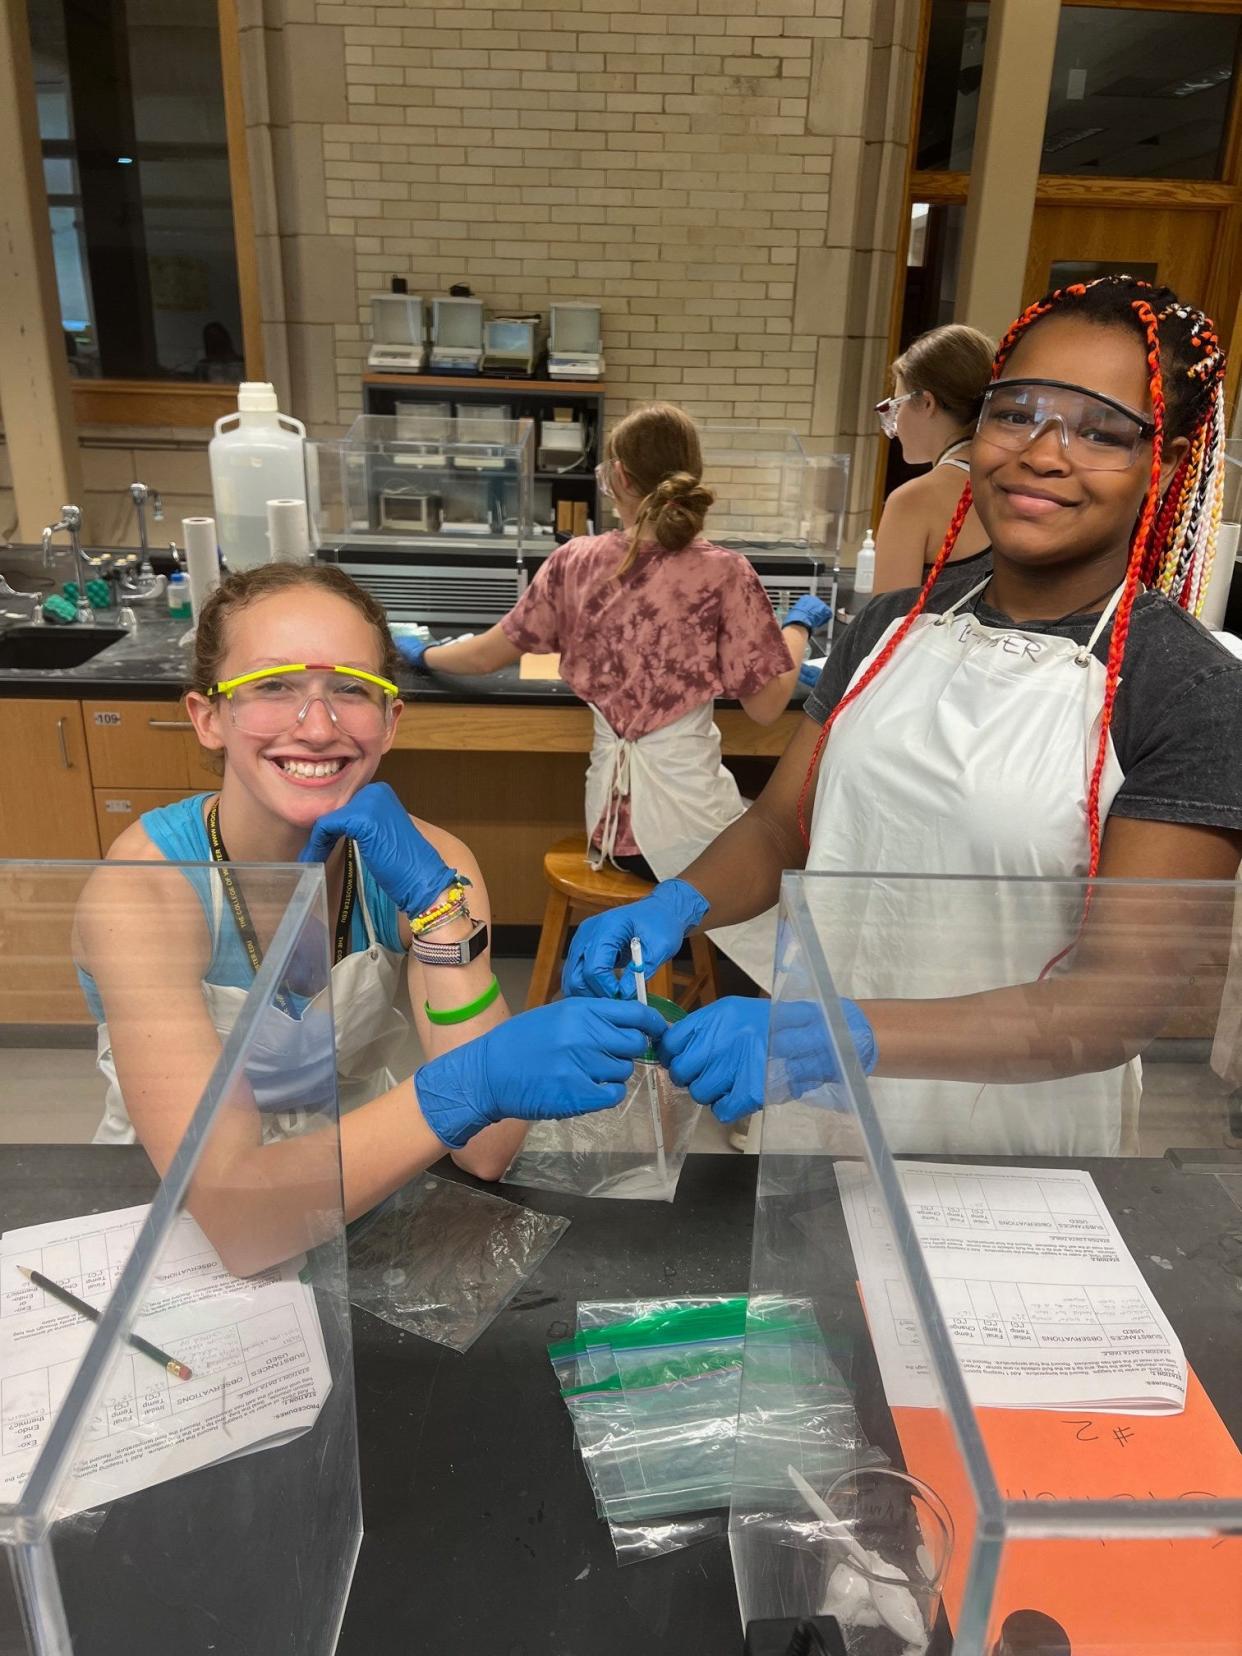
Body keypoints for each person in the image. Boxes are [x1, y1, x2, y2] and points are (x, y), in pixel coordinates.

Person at [562, 276, 1242, 1155]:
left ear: (1170, 461)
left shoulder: (1186, 690)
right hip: (818, 1112)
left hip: (1011, 1144)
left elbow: (1114, 1005)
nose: (1042, 451)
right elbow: (779, 828)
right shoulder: (890, 629)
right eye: (1017, 411)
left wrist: (846, 1036)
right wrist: (675, 905)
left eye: (1100, 429)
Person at [75, 563, 662, 1273]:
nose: (317, 726)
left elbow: (488, 1148)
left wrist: (442, 921)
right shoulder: (147, 890)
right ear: (209, 718)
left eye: (352, 690)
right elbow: (236, 1219)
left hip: (354, 1179)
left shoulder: (431, 868)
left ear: (390, 722)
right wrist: (465, 1088)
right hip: (172, 1213)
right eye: (273, 687)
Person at [396, 402, 829, 989]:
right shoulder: (726, 573)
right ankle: (812, 1009)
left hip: (611, 832)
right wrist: (797, 629)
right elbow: (768, 704)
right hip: (688, 826)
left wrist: (422, 654)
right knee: (796, 865)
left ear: (619, 477)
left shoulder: (575, 562)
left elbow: (487, 653)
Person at [873, 323, 995, 593]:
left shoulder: (913, 501)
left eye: (896, 403)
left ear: (927, 403)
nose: (895, 419)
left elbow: (885, 628)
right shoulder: (1012, 480)